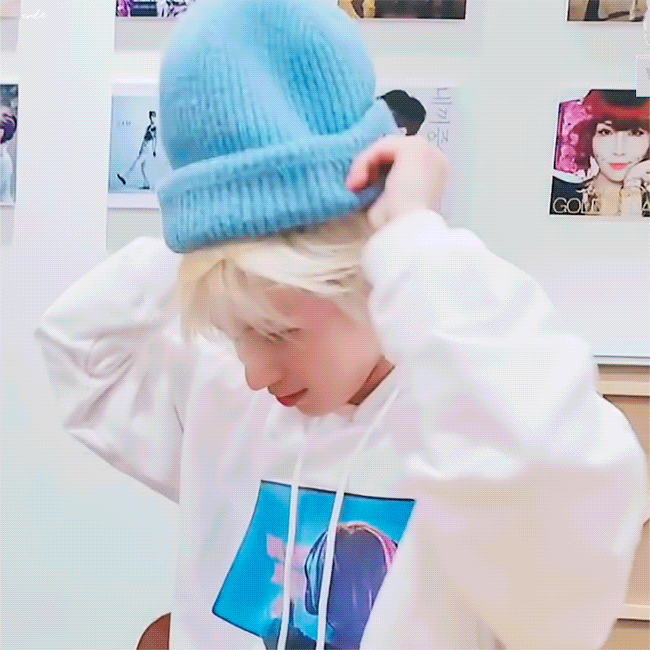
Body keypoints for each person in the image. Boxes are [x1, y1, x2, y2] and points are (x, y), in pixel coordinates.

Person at [35, 1, 648, 649]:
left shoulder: (463, 418)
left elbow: (565, 572)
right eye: (235, 331)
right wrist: (218, 221)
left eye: (278, 331)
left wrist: (413, 238)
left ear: (367, 268)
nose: (255, 371)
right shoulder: (226, 394)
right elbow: (79, 346)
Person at [551, 90, 649, 217]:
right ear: (588, 137)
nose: (619, 151)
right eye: (605, 132)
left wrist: (632, 185)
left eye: (635, 133)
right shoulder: (557, 193)